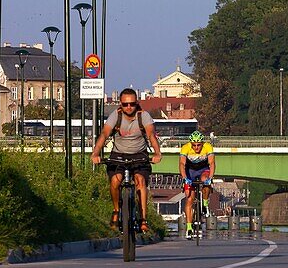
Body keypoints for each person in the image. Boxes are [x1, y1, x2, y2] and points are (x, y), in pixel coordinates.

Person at [91, 88, 162, 234]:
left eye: (132, 104)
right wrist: (95, 153)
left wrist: (157, 153)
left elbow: (151, 135)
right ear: (120, 104)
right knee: (115, 181)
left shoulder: (144, 117)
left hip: (139, 155)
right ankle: (116, 210)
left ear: (137, 104)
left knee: (140, 181)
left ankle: (143, 218)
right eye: (125, 104)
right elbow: (104, 134)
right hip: (118, 155)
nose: (128, 107)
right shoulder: (115, 116)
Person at [178, 130, 215, 239]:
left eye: (199, 145)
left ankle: (205, 203)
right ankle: (189, 228)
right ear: (191, 144)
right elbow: (181, 164)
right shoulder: (185, 148)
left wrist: (210, 178)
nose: (196, 147)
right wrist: (185, 178)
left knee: (205, 181)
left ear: (202, 144)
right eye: (194, 145)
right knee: (189, 197)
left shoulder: (208, 147)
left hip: (203, 169)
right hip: (190, 171)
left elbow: (212, 163)